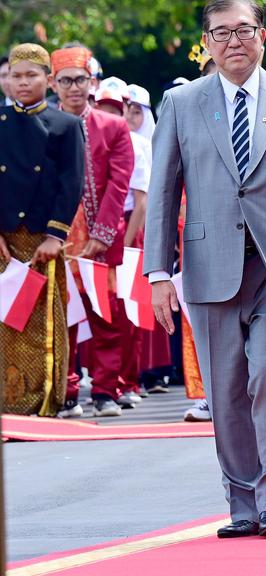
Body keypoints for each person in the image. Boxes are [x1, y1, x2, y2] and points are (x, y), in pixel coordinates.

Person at [145, 0, 266, 540]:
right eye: (222, 33)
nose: (235, 42)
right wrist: (159, 274)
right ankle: (243, 501)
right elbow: (162, 191)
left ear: (263, 36)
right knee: (226, 387)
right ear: (206, 44)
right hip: (210, 267)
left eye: (244, 30)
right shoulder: (182, 104)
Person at [0, 44, 85, 417]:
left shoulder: (65, 125)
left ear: (48, 81)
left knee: (41, 323)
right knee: (4, 323)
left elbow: (71, 182)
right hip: (4, 239)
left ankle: (44, 400)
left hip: (41, 240)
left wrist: (56, 236)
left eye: (31, 75)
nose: (22, 82)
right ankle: (7, 401)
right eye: (16, 75)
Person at [52, 45, 135, 418]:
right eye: (66, 81)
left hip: (101, 238)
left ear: (92, 83)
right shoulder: (42, 126)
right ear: (54, 85)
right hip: (55, 240)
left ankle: (104, 391)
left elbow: (120, 182)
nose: (74, 88)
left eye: (80, 80)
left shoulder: (113, 126)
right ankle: (67, 392)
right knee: (61, 316)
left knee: (106, 316)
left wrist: (103, 233)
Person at [94, 77, 153, 407]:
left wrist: (127, 243)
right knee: (100, 310)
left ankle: (127, 381)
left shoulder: (138, 144)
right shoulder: (86, 137)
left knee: (129, 312)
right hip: (90, 231)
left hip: (127, 228)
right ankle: (103, 384)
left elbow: (141, 198)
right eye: (103, 108)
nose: (110, 115)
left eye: (117, 110)